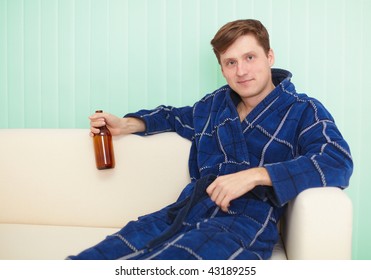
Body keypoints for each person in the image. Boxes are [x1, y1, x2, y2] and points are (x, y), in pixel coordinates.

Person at [67, 19, 353, 260]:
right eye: (230, 62)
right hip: (185, 211)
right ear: (222, 68)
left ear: (270, 57)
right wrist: (127, 124)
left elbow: (337, 160)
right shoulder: (215, 106)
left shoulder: (303, 110)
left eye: (249, 58)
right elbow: (174, 117)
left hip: (243, 222)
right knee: (96, 258)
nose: (241, 71)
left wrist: (256, 175)